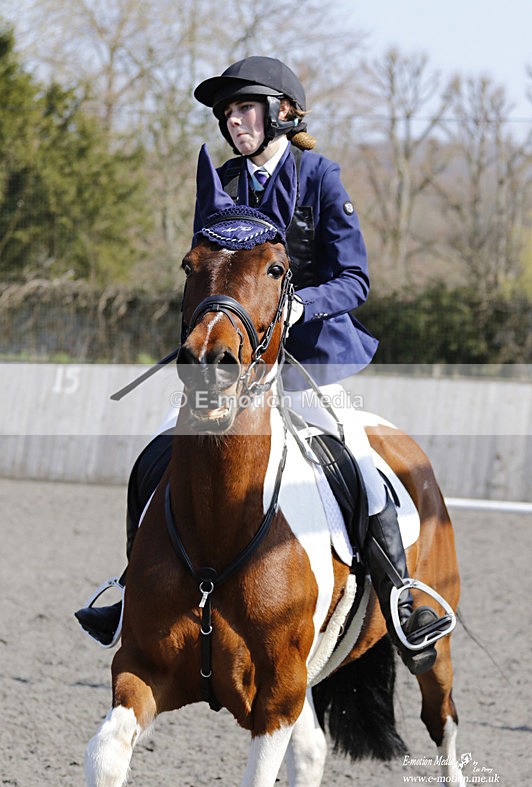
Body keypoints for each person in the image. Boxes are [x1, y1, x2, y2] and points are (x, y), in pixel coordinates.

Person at [76, 56, 446, 675]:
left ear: (282, 113)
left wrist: (302, 306)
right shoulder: (223, 182)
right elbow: (206, 268)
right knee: (162, 449)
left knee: (361, 463)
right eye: (226, 112)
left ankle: (401, 597)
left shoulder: (320, 177)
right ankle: (130, 586)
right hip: (236, 364)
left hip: (311, 360)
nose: (232, 121)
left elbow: (356, 280)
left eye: (244, 108)